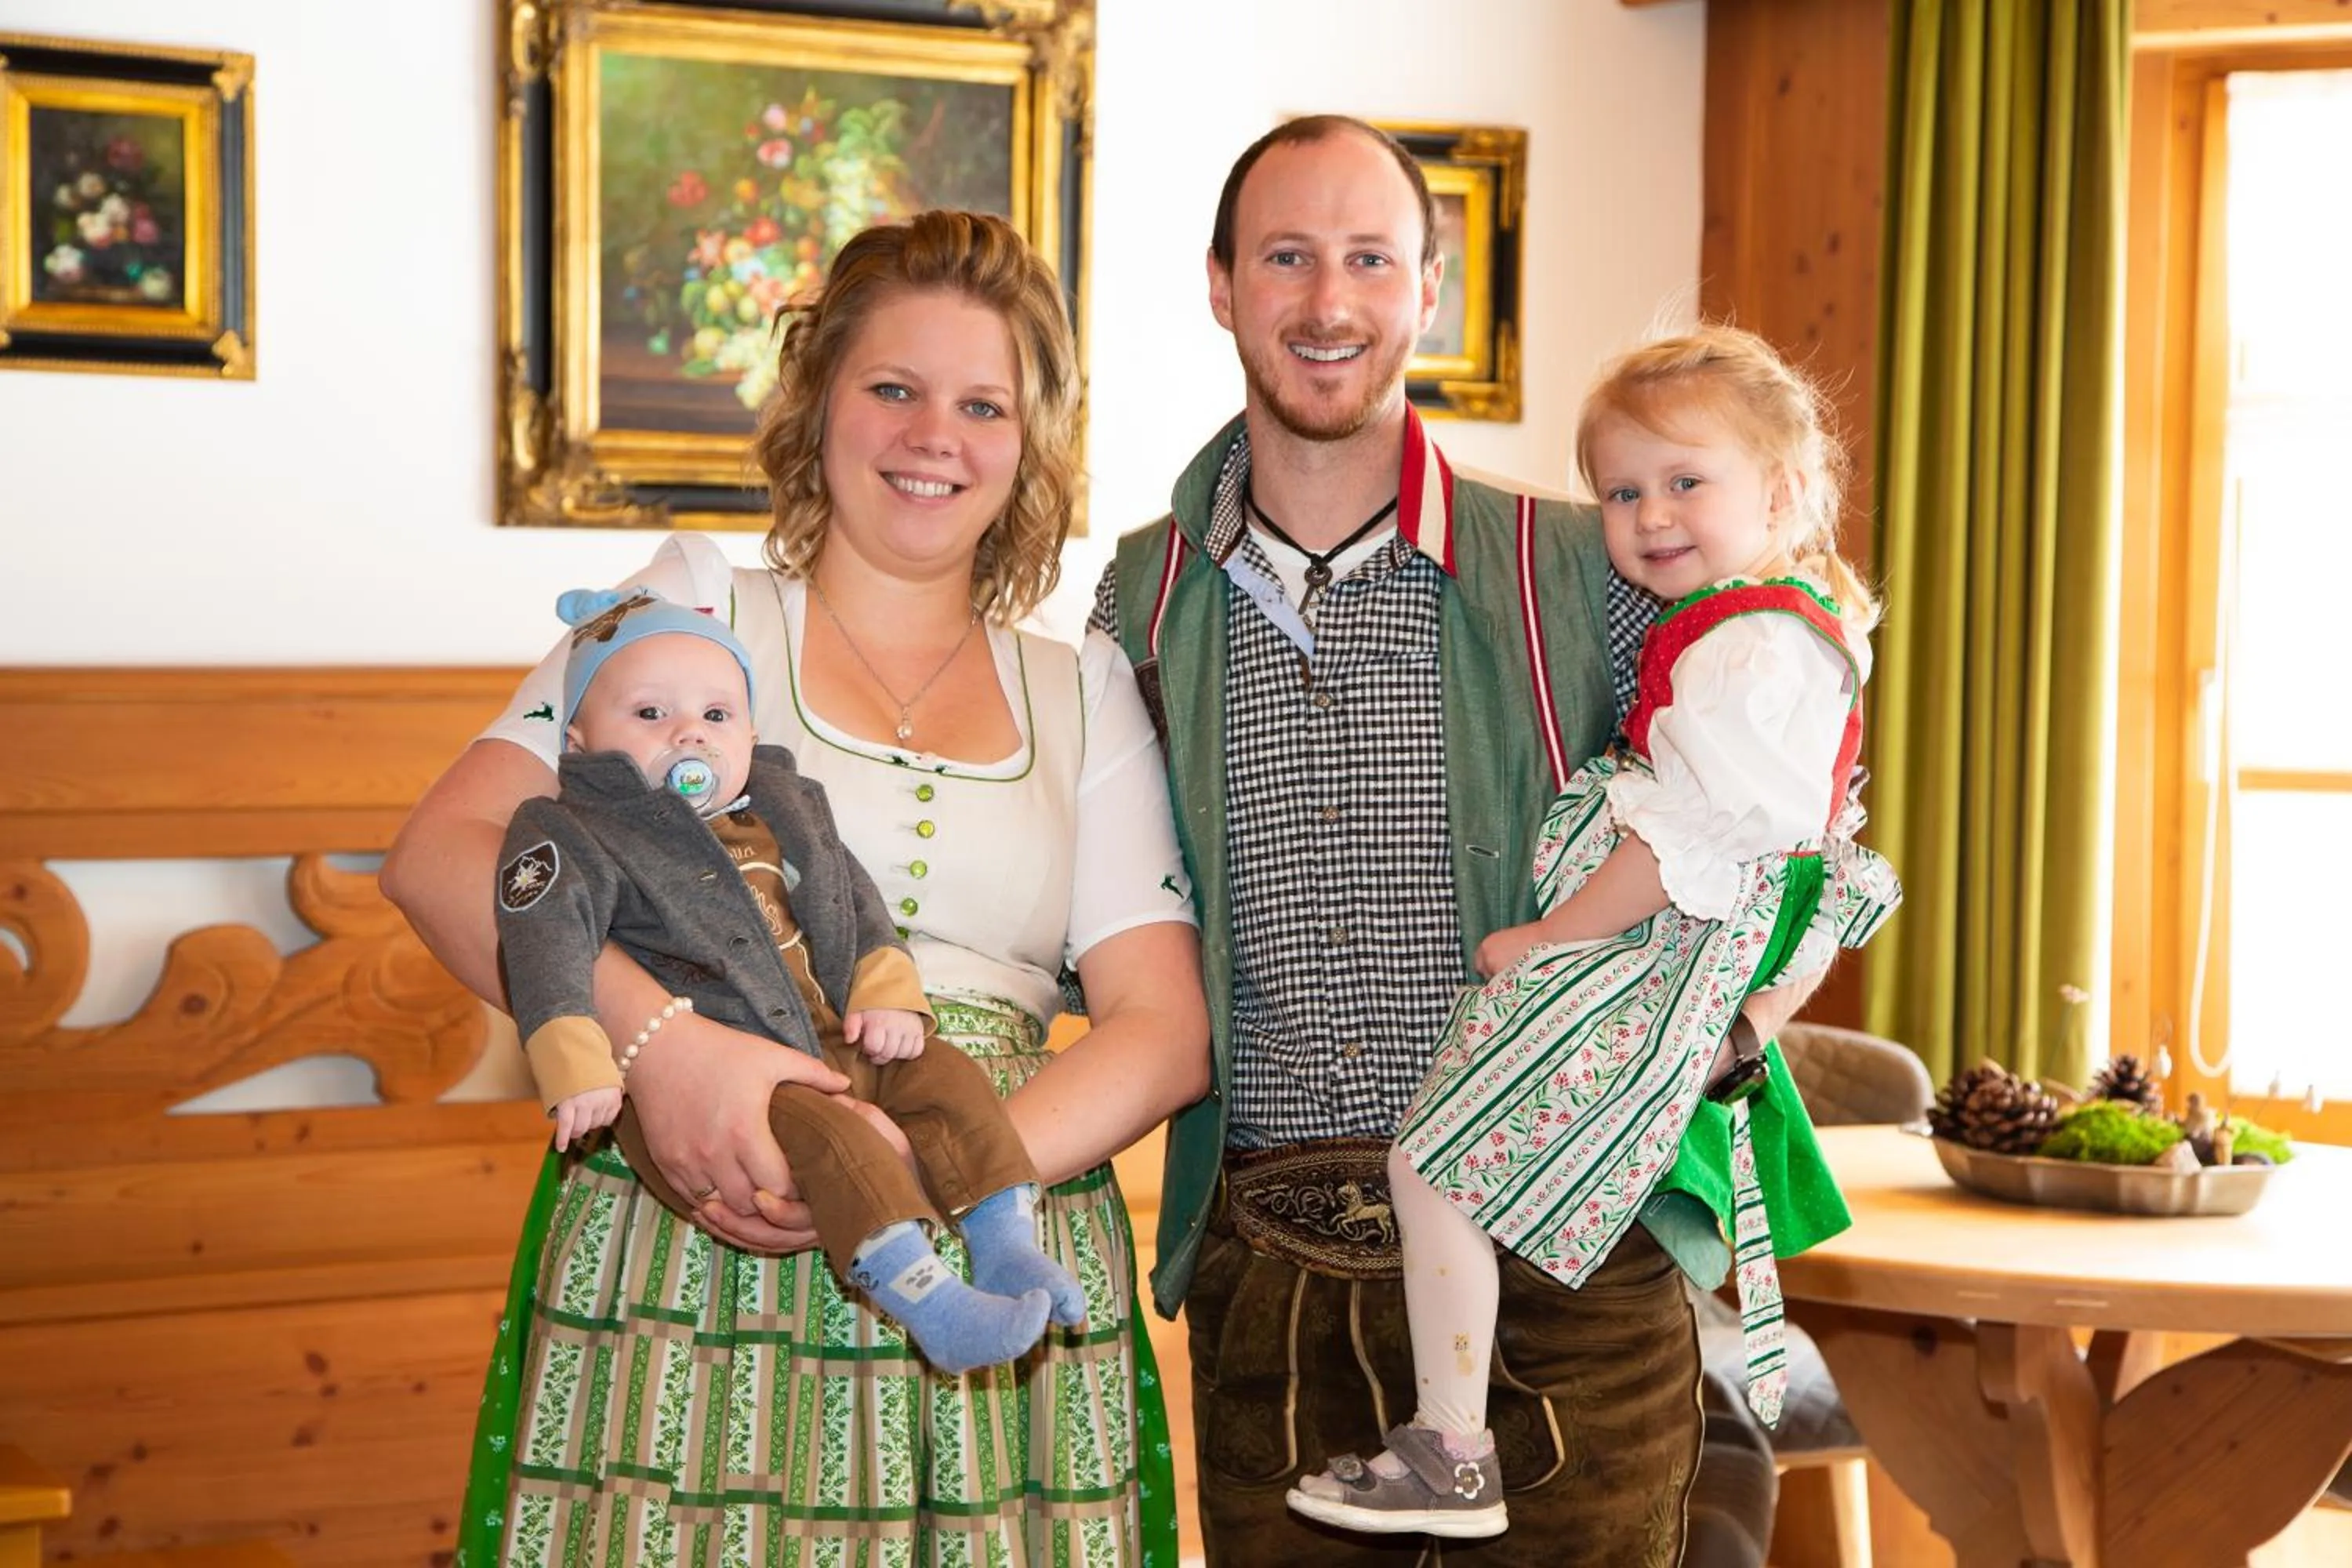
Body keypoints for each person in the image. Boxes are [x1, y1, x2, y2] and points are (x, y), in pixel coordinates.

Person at [1091, 117, 1894, 1566]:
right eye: (1286, 258)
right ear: (1221, 286)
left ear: (1427, 289)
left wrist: (1754, 1007)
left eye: (1368, 260)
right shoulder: (1143, 595)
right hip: (1268, 1284)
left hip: (1567, 1283)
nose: (1327, 302)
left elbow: (1789, 800)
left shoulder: (1588, 560)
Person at [383, 209, 1210, 1567]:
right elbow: (447, 853)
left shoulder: (1086, 687)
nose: (931, 434)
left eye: (981, 403)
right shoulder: (692, 603)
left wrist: (924, 1170)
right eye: (891, 387)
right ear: (819, 398)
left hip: (989, 1251)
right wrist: (666, 1048)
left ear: (1031, 442)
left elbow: (1161, 1027)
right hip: (696, 1233)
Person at [1284, 325, 1903, 1538]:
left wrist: (1553, 935)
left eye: (1686, 482)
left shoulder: (1756, 645)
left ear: (1779, 493)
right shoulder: (1745, 627)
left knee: (1432, 1160)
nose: (1648, 514)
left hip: (1645, 942)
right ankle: (1454, 1432)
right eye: (1622, 490)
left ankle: (1452, 1444)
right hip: (1668, 941)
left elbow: (1701, 845)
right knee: (1461, 1164)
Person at [496, 586, 1087, 1374]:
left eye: (716, 715)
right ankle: (929, 1299)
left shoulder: (781, 807)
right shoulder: (574, 830)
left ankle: (1007, 1245)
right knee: (832, 1136)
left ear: (748, 730)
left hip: (830, 1032)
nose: (687, 733)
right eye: (648, 715)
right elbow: (543, 941)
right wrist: (578, 1064)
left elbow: (855, 901)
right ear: (579, 740)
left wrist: (885, 991)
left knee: (942, 1072)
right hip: (730, 1080)